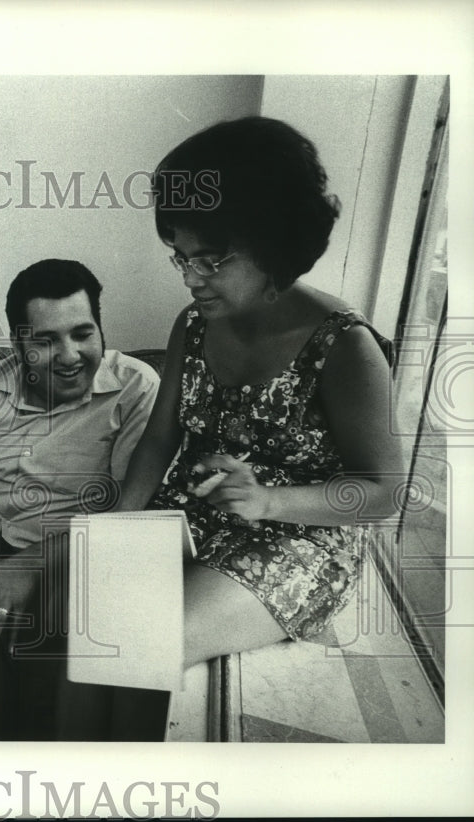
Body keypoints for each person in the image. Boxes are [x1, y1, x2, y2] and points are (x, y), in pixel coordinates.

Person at [110, 116, 401, 697]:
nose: (191, 278)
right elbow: (160, 440)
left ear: (273, 243)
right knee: (91, 618)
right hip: (192, 516)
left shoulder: (344, 346)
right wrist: (120, 523)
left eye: (211, 259)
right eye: (180, 256)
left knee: (146, 636)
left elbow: (383, 493)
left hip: (302, 534)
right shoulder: (192, 324)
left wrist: (267, 500)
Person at [0, 259, 160, 740]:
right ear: (18, 343)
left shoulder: (136, 388)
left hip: (65, 556)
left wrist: (33, 564)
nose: (69, 355)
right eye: (45, 341)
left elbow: (134, 516)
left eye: (83, 334)